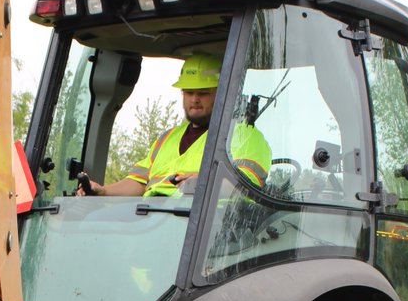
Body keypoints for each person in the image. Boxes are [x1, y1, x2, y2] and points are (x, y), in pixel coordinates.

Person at [77, 53, 271, 197]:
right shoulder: (167, 138)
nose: (194, 99)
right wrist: (103, 192)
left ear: (222, 94)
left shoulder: (245, 137)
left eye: (203, 93)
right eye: (188, 92)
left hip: (213, 237)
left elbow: (246, 186)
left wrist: (202, 182)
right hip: (156, 225)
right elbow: (138, 182)